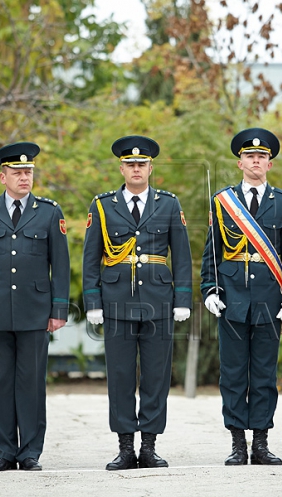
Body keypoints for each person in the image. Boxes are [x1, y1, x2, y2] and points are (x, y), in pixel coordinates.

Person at [82, 135, 193, 470]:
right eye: (130, 164)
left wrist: (183, 298)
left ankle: (149, 446)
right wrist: (93, 302)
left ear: (150, 167)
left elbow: (182, 256)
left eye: (141, 164)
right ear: (121, 167)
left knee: (156, 377)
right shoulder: (102, 205)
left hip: (158, 301)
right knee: (119, 375)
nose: (135, 168)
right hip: (116, 301)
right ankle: (125, 447)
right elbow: (90, 258)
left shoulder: (169, 204)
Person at [0, 141, 70, 472]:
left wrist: (59, 310)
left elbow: (60, 266)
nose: (25, 178)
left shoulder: (50, 212)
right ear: (2, 177)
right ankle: (3, 451)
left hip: (35, 310)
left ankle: (30, 451)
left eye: (29, 172)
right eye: (18, 172)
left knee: (31, 382)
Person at [200, 128, 282, 466]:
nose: (256, 160)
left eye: (262, 157)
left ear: (269, 164)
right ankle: (238, 444)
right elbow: (211, 251)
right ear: (240, 162)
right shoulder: (223, 201)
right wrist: (209, 289)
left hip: (270, 301)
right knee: (233, 375)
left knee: (264, 375)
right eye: (250, 156)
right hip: (232, 299)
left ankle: (260, 442)